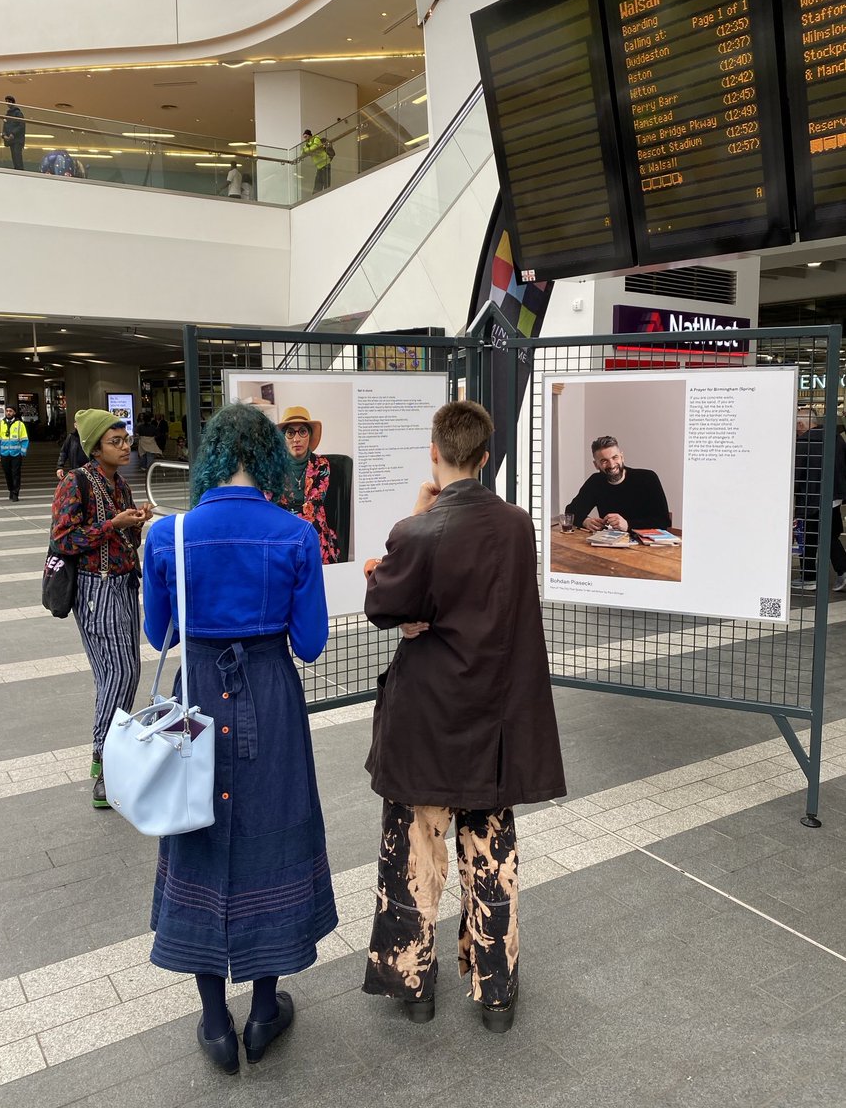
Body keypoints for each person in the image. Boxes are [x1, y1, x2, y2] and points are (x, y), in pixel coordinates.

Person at [142, 403, 336, 1073]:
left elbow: (159, 633)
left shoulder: (168, 533)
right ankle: (261, 1013)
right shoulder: (296, 533)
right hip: (270, 700)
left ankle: (214, 1022)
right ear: (272, 457)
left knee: (194, 834)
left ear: (212, 460)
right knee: (271, 840)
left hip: (194, 700)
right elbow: (310, 644)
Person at [361, 401, 566, 1033]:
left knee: (416, 851)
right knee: (490, 855)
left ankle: (413, 983)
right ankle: (495, 992)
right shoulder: (515, 525)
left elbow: (382, 601)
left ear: (433, 451)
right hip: (495, 721)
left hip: (426, 719)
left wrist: (403, 541)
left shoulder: (418, 531)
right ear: (486, 455)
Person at [50, 409, 151, 808]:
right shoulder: (76, 483)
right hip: (96, 590)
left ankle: (112, 761)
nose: (125, 447)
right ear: (95, 446)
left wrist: (134, 523)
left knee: (124, 672)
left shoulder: (120, 485)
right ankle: (103, 763)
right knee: (120, 671)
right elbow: (64, 540)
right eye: (116, 441)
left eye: (126, 440)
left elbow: (127, 543)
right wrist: (113, 524)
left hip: (124, 585)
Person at [273, 405, 340, 564]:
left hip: (313, 527)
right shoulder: (273, 466)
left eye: (302, 431)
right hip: (282, 529)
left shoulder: (321, 464)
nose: (296, 439)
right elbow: (271, 501)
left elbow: (315, 502)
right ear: (283, 437)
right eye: (290, 432)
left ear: (309, 435)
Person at [565, 435, 671, 532]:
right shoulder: (595, 481)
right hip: (609, 545)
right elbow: (570, 511)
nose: (611, 465)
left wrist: (628, 525)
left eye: (615, 457)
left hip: (645, 547)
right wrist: (585, 521)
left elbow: (663, 521)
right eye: (604, 461)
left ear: (622, 457)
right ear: (596, 465)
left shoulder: (647, 478)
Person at [793, 408, 846, 592]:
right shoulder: (835, 438)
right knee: (822, 535)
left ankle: (813, 576)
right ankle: (808, 576)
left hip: (811, 499)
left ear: (801, 424)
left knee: (814, 537)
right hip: (834, 495)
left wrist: (793, 506)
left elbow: (797, 476)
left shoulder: (803, 443)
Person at [0, 406, 29, 500]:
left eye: (10, 411)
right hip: (4, 454)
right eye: (7, 411)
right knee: (7, 473)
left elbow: (25, 440)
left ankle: (15, 493)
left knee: (16, 473)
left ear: (14, 413)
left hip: (16, 454)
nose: (8, 413)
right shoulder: (0, 424)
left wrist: (22, 452)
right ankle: (11, 489)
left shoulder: (19, 424)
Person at [301, 128, 330, 194]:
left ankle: (327, 194)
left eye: (306, 137)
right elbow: (303, 151)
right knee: (318, 184)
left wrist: (307, 150)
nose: (305, 139)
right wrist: (308, 149)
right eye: (304, 137)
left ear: (310, 135)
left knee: (326, 182)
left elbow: (314, 147)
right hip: (319, 165)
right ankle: (315, 196)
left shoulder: (315, 139)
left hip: (325, 163)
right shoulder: (307, 144)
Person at [1, 95, 26, 170]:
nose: (8, 103)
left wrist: (13, 133)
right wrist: (4, 135)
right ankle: (17, 168)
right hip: (11, 140)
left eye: (9, 101)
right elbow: (5, 126)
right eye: (7, 102)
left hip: (17, 139)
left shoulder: (18, 113)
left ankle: (20, 169)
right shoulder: (7, 114)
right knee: (14, 156)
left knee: (17, 155)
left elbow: (21, 125)